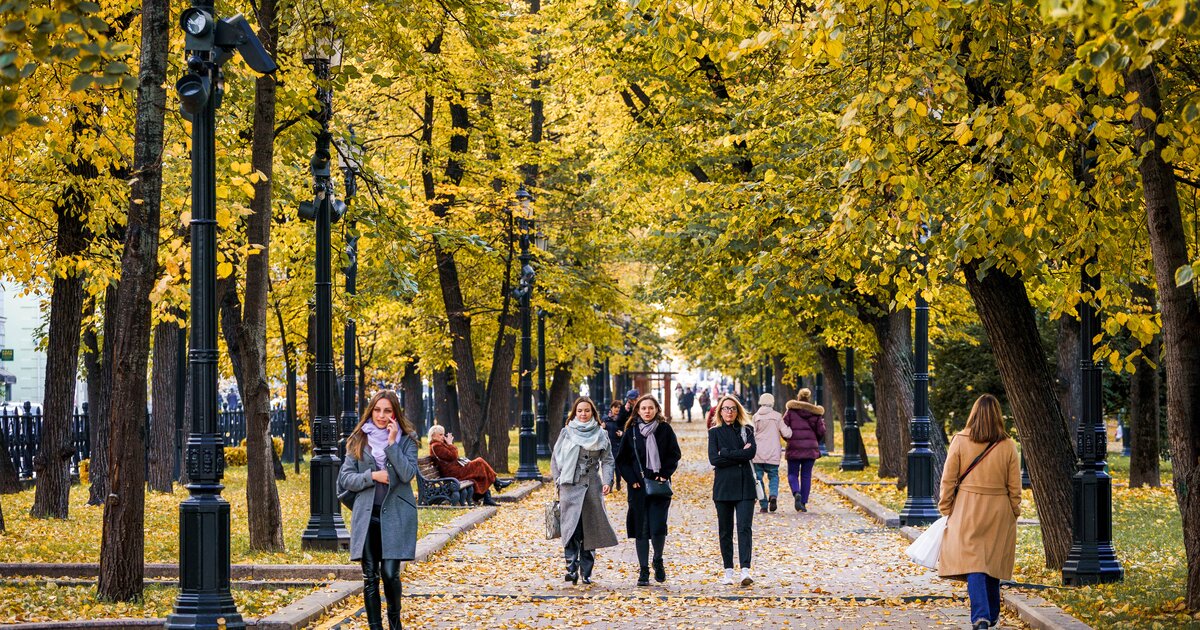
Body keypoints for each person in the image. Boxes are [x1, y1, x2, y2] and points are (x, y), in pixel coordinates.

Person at [938, 394, 1020, 630]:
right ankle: (991, 614)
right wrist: (1014, 510)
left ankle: (981, 617)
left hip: (967, 508)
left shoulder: (960, 440)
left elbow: (948, 479)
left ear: (973, 414)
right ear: (998, 416)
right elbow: (1014, 486)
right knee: (992, 561)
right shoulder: (1007, 445)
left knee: (975, 563)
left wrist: (946, 507)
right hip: (999, 509)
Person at [338, 390, 418, 630]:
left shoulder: (407, 439)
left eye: (387, 411)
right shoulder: (358, 439)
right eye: (377, 410)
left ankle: (395, 620)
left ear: (395, 413)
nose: (381, 416)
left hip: (396, 516)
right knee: (370, 577)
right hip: (367, 516)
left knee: (390, 573)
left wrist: (392, 444)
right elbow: (346, 478)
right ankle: (375, 627)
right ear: (371, 411)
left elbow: (407, 474)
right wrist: (372, 475)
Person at [551, 397, 619, 584]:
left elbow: (607, 460)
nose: (583, 414)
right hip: (569, 485)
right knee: (570, 527)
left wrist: (607, 481)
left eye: (587, 411)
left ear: (593, 413)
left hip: (591, 486)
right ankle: (571, 568)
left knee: (590, 528)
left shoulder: (601, 434)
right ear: (575, 413)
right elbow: (555, 459)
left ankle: (586, 572)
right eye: (580, 411)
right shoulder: (566, 433)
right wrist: (558, 481)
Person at [615, 394, 682, 586]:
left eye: (650, 408)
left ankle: (658, 560)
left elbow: (674, 454)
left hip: (659, 486)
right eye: (643, 408)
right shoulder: (632, 431)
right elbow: (623, 459)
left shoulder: (665, 429)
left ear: (656, 410)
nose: (647, 411)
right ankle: (643, 570)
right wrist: (631, 479)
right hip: (638, 487)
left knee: (658, 526)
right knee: (641, 528)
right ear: (638, 410)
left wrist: (665, 473)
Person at [708, 395, 757, 586]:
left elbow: (751, 453)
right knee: (725, 530)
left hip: (745, 486)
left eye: (733, 408)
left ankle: (745, 570)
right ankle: (728, 570)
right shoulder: (714, 433)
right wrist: (739, 454)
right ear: (720, 411)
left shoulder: (747, 430)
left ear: (738, 411)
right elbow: (714, 459)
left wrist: (726, 453)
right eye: (725, 408)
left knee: (744, 528)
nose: (729, 412)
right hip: (723, 487)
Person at [428, 425, 510, 506]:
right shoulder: (436, 446)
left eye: (443, 434)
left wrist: (448, 444)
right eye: (440, 434)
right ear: (433, 435)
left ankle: (488, 497)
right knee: (479, 462)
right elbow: (453, 456)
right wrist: (450, 444)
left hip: (456, 470)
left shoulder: (440, 444)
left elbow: (453, 456)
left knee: (479, 472)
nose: (443, 436)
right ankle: (496, 482)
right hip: (453, 473)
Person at [782, 388, 825, 512]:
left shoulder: (790, 411)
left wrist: (788, 439)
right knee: (806, 475)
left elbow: (783, 427)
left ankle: (796, 493)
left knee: (792, 473)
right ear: (809, 398)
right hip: (810, 448)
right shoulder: (816, 413)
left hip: (794, 447)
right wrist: (815, 439)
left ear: (798, 397)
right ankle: (803, 502)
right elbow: (821, 431)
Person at [751, 393, 791, 513]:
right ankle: (773, 495)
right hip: (773, 452)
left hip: (758, 452)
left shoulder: (755, 417)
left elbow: (751, 434)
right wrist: (791, 431)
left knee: (758, 478)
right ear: (772, 402)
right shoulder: (777, 416)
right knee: (773, 475)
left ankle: (763, 505)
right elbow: (787, 433)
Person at [602, 401, 624, 491]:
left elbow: (626, 431)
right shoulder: (605, 419)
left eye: (619, 408)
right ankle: (609, 484)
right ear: (611, 408)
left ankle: (618, 480)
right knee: (609, 465)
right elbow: (600, 431)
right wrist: (602, 427)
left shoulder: (621, 420)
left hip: (618, 446)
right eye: (615, 407)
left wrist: (622, 433)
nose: (617, 409)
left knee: (617, 466)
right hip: (608, 445)